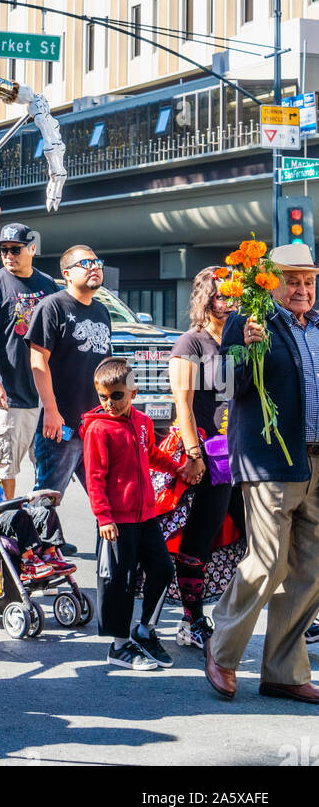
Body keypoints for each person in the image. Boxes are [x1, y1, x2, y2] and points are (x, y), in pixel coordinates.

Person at [206, 243, 319, 704]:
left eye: (309, 281)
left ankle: (283, 672)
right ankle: (222, 649)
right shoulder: (250, 320)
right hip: (272, 459)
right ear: (270, 283)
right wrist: (242, 350)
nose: (302, 289)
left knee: (310, 568)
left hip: (316, 459)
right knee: (269, 561)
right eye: (292, 280)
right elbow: (221, 384)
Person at [81, 357, 185, 671]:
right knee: (118, 582)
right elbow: (94, 477)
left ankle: (145, 630)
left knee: (163, 569)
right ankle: (118, 645)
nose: (110, 403)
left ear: (133, 393)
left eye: (117, 396)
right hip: (116, 521)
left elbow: (150, 453)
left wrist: (176, 468)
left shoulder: (142, 422)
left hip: (146, 516)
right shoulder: (98, 429)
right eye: (103, 397)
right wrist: (104, 517)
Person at [167, 268, 242, 650]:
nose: (228, 303)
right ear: (206, 299)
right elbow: (182, 403)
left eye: (233, 295)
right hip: (211, 453)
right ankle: (191, 619)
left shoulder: (241, 339)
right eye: (221, 296)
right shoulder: (190, 343)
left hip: (246, 451)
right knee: (201, 534)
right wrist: (194, 453)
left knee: (257, 536)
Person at [0, 223, 57, 499]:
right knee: (4, 468)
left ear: (31, 249)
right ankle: (8, 528)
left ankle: (42, 530)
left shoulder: (48, 286)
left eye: (15, 249)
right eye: (3, 250)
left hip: (44, 398)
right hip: (7, 398)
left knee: (47, 468)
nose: (9, 255)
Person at [26, 244, 112, 502]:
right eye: (86, 264)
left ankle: (109, 545)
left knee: (107, 500)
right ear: (67, 274)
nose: (95, 268)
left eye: (98, 263)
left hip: (95, 425)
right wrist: (51, 411)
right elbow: (38, 362)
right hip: (61, 426)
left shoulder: (102, 311)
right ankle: (43, 544)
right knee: (47, 500)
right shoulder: (53, 307)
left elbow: (105, 367)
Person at [0, 431, 74, 579]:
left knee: (45, 512)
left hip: (4, 514)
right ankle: (28, 561)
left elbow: (3, 500)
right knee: (20, 515)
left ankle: (49, 555)